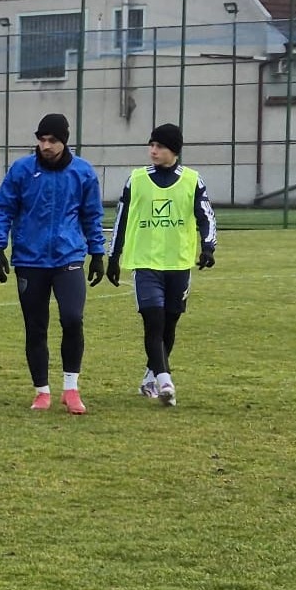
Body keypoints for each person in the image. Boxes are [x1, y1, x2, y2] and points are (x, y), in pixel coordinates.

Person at [0, 113, 106, 414]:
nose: (46, 145)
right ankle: (42, 391)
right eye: (41, 140)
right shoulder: (21, 170)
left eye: (52, 140)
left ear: (64, 141)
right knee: (36, 327)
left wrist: (97, 253)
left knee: (72, 318)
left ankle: (71, 388)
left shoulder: (83, 173)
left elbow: (92, 216)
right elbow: (3, 208)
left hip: (69, 258)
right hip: (30, 260)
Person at [105, 123, 216, 407]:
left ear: (174, 150)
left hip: (178, 264)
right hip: (145, 263)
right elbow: (121, 219)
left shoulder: (192, 180)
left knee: (169, 324)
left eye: (160, 146)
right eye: (151, 145)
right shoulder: (137, 179)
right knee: (153, 322)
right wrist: (113, 257)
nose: (153, 151)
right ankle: (165, 379)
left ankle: (150, 375)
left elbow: (206, 216)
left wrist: (207, 247)